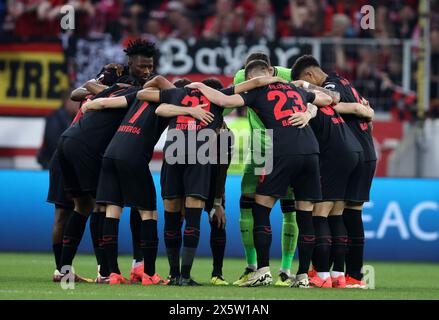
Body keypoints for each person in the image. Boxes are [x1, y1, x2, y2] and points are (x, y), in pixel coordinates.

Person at [187, 59, 333, 287]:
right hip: (311, 151)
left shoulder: (256, 91)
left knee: (261, 207)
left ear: (250, 79)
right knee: (305, 214)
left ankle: (262, 269)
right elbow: (328, 98)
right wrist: (309, 111)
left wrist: (200, 86)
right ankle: (302, 275)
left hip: (282, 150)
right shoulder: (293, 87)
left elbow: (223, 100)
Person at [57, 39, 158, 281]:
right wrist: (105, 88)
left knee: (83, 206)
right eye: (142, 66)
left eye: (150, 67)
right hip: (90, 147)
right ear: (130, 64)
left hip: (74, 142)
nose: (146, 71)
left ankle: (64, 271)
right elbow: (78, 92)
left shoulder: (133, 84)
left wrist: (105, 89)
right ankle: (105, 270)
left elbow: (91, 91)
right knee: (102, 205)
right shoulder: (123, 82)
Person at [291, 55, 376, 288]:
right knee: (344, 213)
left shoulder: (329, 87)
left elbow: (331, 101)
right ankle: (343, 274)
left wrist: (305, 89)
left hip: (346, 151)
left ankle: (332, 274)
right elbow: (367, 108)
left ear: (308, 76)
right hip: (363, 152)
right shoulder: (345, 81)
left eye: (303, 81)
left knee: (328, 211)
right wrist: (364, 111)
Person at [231, 52, 300, 286]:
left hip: (264, 147)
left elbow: (231, 99)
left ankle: (255, 266)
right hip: (293, 146)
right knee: (291, 209)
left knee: (250, 205)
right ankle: (286, 270)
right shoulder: (290, 75)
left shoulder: (242, 75)